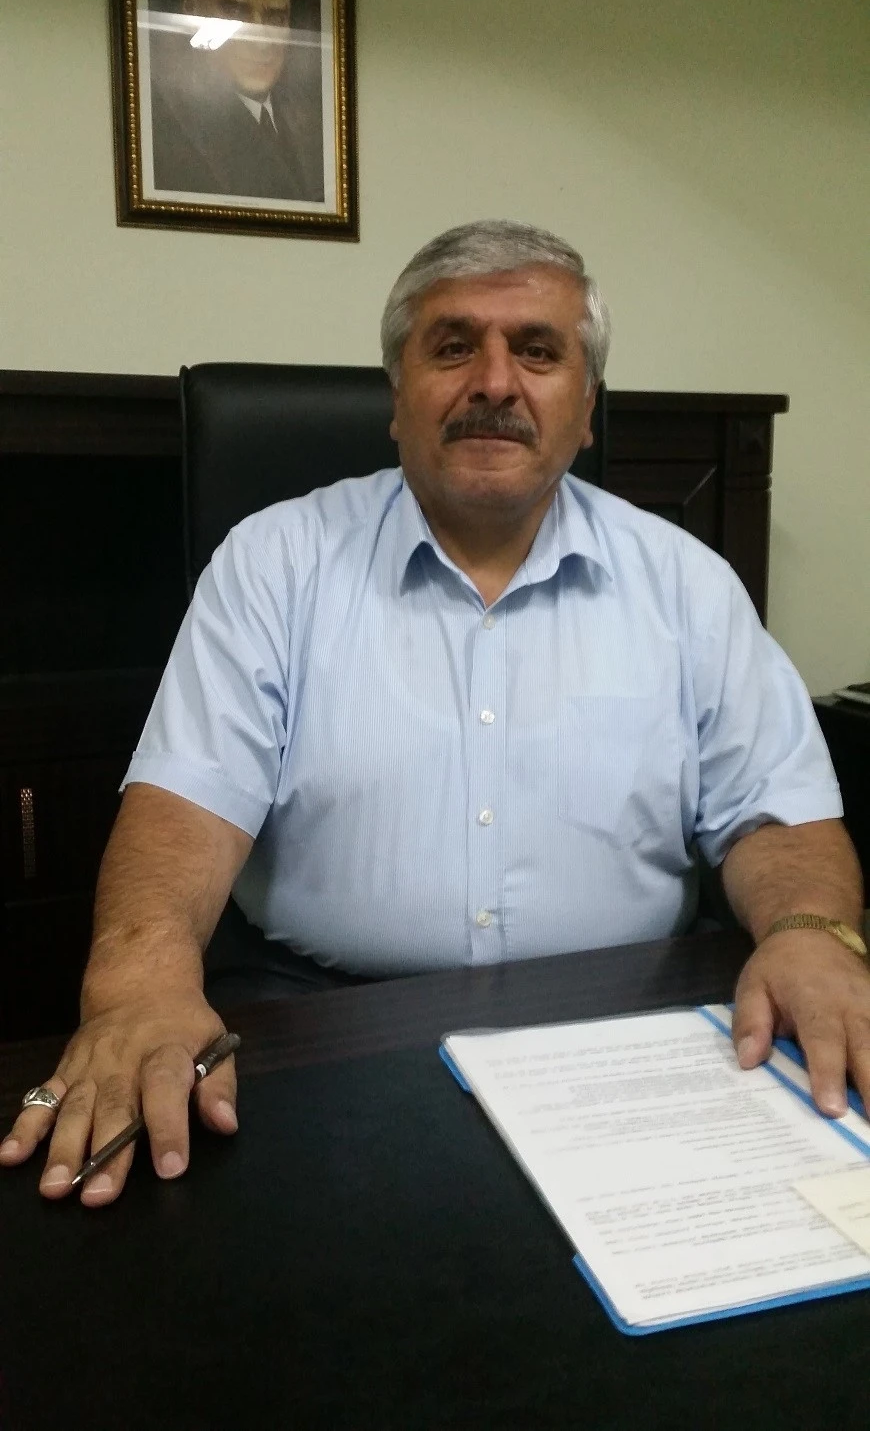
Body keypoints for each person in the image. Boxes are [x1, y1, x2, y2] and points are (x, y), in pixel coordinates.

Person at [2, 220, 867, 1208]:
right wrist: (141, 988)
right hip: (324, 1026)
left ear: (586, 406)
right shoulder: (275, 562)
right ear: (397, 395)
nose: (495, 382)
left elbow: (775, 815)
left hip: (625, 1022)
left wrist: (808, 930)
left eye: (537, 351)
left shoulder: (689, 586)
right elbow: (185, 808)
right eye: (453, 347)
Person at [149, 0, 324, 202]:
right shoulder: (163, 122)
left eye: (276, 19)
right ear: (190, 10)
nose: (261, 42)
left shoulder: (314, 118)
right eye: (235, 14)